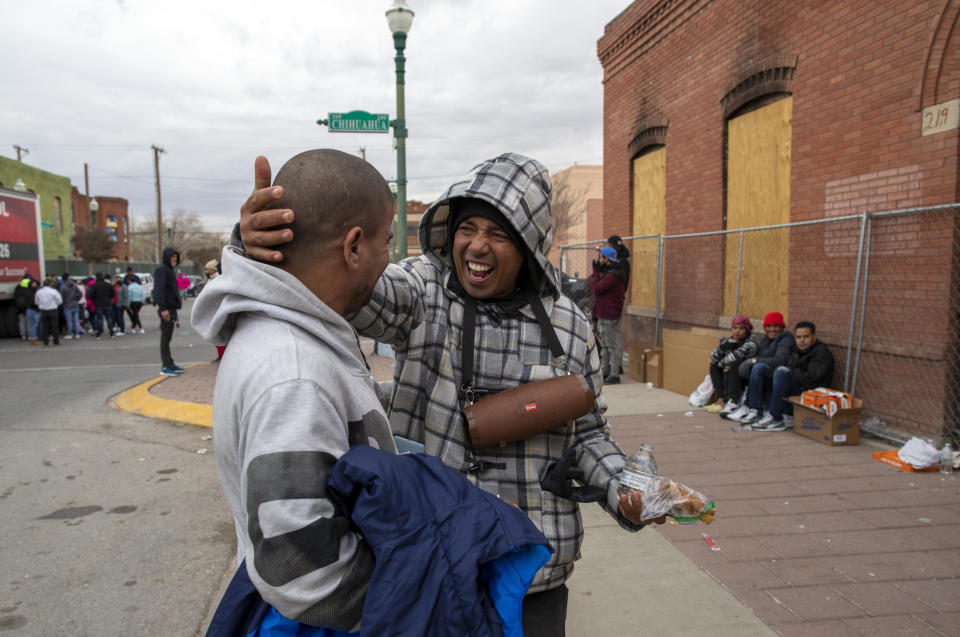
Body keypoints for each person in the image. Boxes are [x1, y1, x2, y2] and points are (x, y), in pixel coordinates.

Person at [239, 152, 663, 636]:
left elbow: (588, 435)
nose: (478, 247)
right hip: (432, 567)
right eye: (468, 229)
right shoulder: (423, 293)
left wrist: (623, 489)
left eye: (499, 234)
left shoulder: (568, 324)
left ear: (527, 245)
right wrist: (276, 245)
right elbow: (340, 280)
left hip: (533, 573)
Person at [193, 149, 403, 632]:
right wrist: (415, 594)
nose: (387, 257)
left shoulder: (302, 339)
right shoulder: (292, 375)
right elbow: (302, 573)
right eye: (386, 241)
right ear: (353, 246)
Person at [749, 321, 836, 430]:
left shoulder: (821, 353)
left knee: (782, 372)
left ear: (814, 336)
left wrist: (790, 371)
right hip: (796, 390)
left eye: (806, 337)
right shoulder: (797, 350)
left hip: (811, 394)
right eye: (798, 337)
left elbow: (812, 379)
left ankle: (777, 417)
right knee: (766, 369)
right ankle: (756, 410)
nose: (802, 340)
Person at [727, 311, 796, 426]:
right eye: (768, 326)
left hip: (781, 380)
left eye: (776, 326)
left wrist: (754, 361)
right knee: (746, 366)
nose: (772, 329)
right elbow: (761, 358)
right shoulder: (765, 340)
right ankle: (749, 407)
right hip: (768, 379)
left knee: (758, 366)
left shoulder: (786, 339)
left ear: (782, 327)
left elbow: (780, 359)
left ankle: (761, 411)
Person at [589, 245, 627, 384]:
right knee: (605, 345)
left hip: (609, 314)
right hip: (604, 313)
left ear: (607, 259)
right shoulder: (612, 273)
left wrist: (595, 272)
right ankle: (605, 371)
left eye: (602, 257)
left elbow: (597, 288)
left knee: (611, 345)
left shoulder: (613, 276)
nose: (600, 260)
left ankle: (614, 373)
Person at [709, 314, 758, 415]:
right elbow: (713, 358)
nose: (737, 331)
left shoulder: (751, 343)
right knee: (713, 366)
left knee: (733, 364)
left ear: (747, 330)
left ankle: (733, 401)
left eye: (741, 328)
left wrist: (721, 364)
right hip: (729, 373)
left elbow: (735, 357)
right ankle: (721, 398)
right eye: (735, 328)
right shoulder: (731, 340)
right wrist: (722, 348)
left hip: (745, 376)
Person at [154, 247, 183, 375]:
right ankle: (165, 365)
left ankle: (170, 363)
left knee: (168, 337)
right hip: (166, 308)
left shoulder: (170, 270)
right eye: (172, 257)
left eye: (176, 257)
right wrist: (163, 308)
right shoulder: (162, 270)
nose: (174, 259)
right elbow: (159, 290)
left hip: (171, 307)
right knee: (165, 338)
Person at [35, 278, 63, 346]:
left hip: (43, 310)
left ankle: (46, 342)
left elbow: (36, 302)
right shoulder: (53, 291)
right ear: (50, 284)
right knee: (54, 326)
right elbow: (60, 301)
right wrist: (55, 304)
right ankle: (56, 341)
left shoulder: (39, 292)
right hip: (52, 310)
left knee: (45, 326)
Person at [90, 272, 114, 339]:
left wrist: (94, 300)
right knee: (109, 318)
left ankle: (99, 333)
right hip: (107, 303)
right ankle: (111, 333)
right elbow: (113, 293)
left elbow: (90, 295)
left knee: (99, 318)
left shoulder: (94, 285)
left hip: (98, 304)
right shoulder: (108, 285)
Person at [59, 274, 83, 339]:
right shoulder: (75, 285)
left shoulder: (62, 287)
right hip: (75, 304)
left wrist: (63, 303)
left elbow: (61, 297)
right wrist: (77, 299)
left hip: (67, 305)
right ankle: (77, 333)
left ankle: (70, 333)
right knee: (76, 320)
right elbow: (80, 294)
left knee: (69, 320)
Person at [14, 276, 33, 341]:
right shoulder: (28, 290)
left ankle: (23, 335)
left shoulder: (17, 288)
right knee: (29, 322)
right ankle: (29, 335)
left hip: (20, 309)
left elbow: (15, 299)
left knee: (22, 322)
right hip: (27, 308)